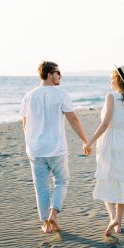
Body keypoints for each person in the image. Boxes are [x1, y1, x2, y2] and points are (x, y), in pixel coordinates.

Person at [20, 61, 91, 233]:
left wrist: (30, 145)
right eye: (58, 72)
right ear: (50, 74)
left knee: (41, 187)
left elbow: (25, 124)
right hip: (56, 149)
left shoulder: (28, 96)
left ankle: (45, 224)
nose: (60, 76)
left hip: (36, 150)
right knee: (62, 181)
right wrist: (85, 140)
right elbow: (73, 119)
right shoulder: (61, 95)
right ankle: (53, 213)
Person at [83, 65, 124, 236]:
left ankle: (113, 217)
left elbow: (105, 125)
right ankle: (118, 222)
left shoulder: (111, 96)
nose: (109, 81)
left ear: (118, 80)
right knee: (123, 180)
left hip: (110, 142)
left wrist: (89, 142)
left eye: (111, 78)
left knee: (107, 179)